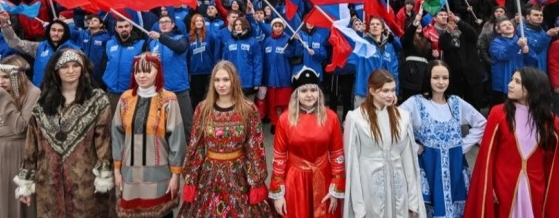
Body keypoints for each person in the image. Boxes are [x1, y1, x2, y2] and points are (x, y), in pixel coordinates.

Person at [14, 49, 114, 217]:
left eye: (76, 66)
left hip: (85, 181)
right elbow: (32, 144)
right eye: (65, 66)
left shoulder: (97, 99)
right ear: (56, 71)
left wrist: (104, 176)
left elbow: (104, 140)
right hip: (48, 183)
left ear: (83, 69)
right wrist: (26, 182)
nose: (70, 70)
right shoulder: (43, 103)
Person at [465, 67, 559, 217]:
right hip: (503, 184)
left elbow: (554, 164)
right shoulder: (498, 113)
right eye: (511, 80)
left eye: (517, 81)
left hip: (535, 187)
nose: (510, 84)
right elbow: (487, 157)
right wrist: (489, 186)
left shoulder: (551, 122)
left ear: (531, 88)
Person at [178, 60, 274, 216]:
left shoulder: (248, 109)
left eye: (225, 80)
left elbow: (255, 146)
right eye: (217, 80)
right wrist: (191, 175)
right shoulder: (203, 109)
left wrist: (256, 178)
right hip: (208, 175)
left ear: (234, 81)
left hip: (239, 174)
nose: (220, 84)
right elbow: (196, 145)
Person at [400, 60, 486, 218]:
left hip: (455, 167)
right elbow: (395, 124)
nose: (441, 82)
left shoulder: (456, 102)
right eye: (436, 77)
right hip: (428, 166)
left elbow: (482, 124)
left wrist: (463, 145)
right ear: (428, 79)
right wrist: (413, 146)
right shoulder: (415, 103)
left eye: (445, 78)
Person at [343, 69, 426, 217]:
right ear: (372, 90)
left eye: (393, 90)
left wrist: (413, 200)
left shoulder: (403, 117)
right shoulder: (356, 118)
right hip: (369, 187)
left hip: (398, 188)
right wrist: (358, 206)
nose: (390, 95)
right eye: (385, 91)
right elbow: (352, 165)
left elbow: (409, 160)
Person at [112, 54, 186, 218]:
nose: (141, 75)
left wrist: (176, 175)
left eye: (147, 71)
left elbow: (177, 140)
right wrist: (117, 171)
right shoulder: (125, 99)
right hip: (130, 176)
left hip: (160, 177)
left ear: (158, 72)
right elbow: (117, 137)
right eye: (137, 71)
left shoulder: (168, 99)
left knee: (161, 214)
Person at [269, 67, 345, 217]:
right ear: (296, 95)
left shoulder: (331, 117)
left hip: (324, 178)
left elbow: (337, 156)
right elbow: (279, 158)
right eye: (304, 91)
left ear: (319, 93)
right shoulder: (284, 119)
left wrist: (336, 188)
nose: (309, 95)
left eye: (313, 90)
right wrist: (278, 194)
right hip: (295, 181)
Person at [0, 55, 40, 218]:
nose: (0, 82)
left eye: (5, 77)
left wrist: (4, 100)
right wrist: (12, 130)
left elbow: (21, 127)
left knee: (17, 200)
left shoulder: (33, 92)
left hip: (17, 153)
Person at [0, 11, 79, 86]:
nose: (56, 33)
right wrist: (5, 26)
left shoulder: (74, 50)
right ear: (48, 31)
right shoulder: (39, 47)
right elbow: (16, 43)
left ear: (66, 33)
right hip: (40, 93)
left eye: (60, 31)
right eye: (53, 30)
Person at [148, 14, 194, 141]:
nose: (163, 24)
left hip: (179, 88)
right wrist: (151, 58)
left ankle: (190, 153)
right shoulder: (153, 43)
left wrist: (160, 37)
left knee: (186, 123)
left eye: (166, 22)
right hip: (161, 90)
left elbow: (179, 48)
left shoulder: (181, 38)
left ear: (173, 24)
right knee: (163, 124)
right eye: (161, 22)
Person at [187, 13, 217, 108]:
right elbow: (187, 55)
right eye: (197, 21)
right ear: (193, 23)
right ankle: (196, 117)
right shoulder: (189, 37)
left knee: (209, 95)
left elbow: (214, 51)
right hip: (195, 72)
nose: (199, 23)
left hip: (208, 71)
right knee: (196, 97)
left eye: (201, 21)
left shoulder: (210, 36)